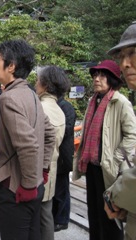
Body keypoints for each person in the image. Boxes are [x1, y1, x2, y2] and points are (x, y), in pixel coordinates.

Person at [0, 39, 56, 240]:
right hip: (35, 183)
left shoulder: (8, 98)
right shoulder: (31, 94)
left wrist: (27, 186)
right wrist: (42, 170)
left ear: (11, 66)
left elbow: (27, 144)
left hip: (17, 187)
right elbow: (49, 134)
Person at [72, 60, 136, 240]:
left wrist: (115, 159)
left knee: (110, 215)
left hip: (109, 167)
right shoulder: (94, 100)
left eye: (102, 76)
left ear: (112, 79)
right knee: (94, 212)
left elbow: (132, 135)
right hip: (92, 166)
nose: (96, 79)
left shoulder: (120, 102)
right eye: (95, 76)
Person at [104, 22, 136, 240]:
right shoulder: (94, 102)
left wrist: (115, 195)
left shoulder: (121, 101)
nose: (125, 64)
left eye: (132, 53)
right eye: (121, 56)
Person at [35, 66, 67, 240]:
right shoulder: (59, 110)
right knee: (46, 212)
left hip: (38, 168)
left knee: (38, 215)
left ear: (45, 84)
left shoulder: (39, 108)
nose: (35, 83)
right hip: (51, 167)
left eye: (38, 80)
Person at [52, 96, 76, 232]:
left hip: (63, 155)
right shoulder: (55, 105)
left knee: (61, 189)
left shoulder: (66, 106)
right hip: (56, 153)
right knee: (55, 189)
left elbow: (67, 129)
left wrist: (52, 130)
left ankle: (62, 220)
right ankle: (56, 217)